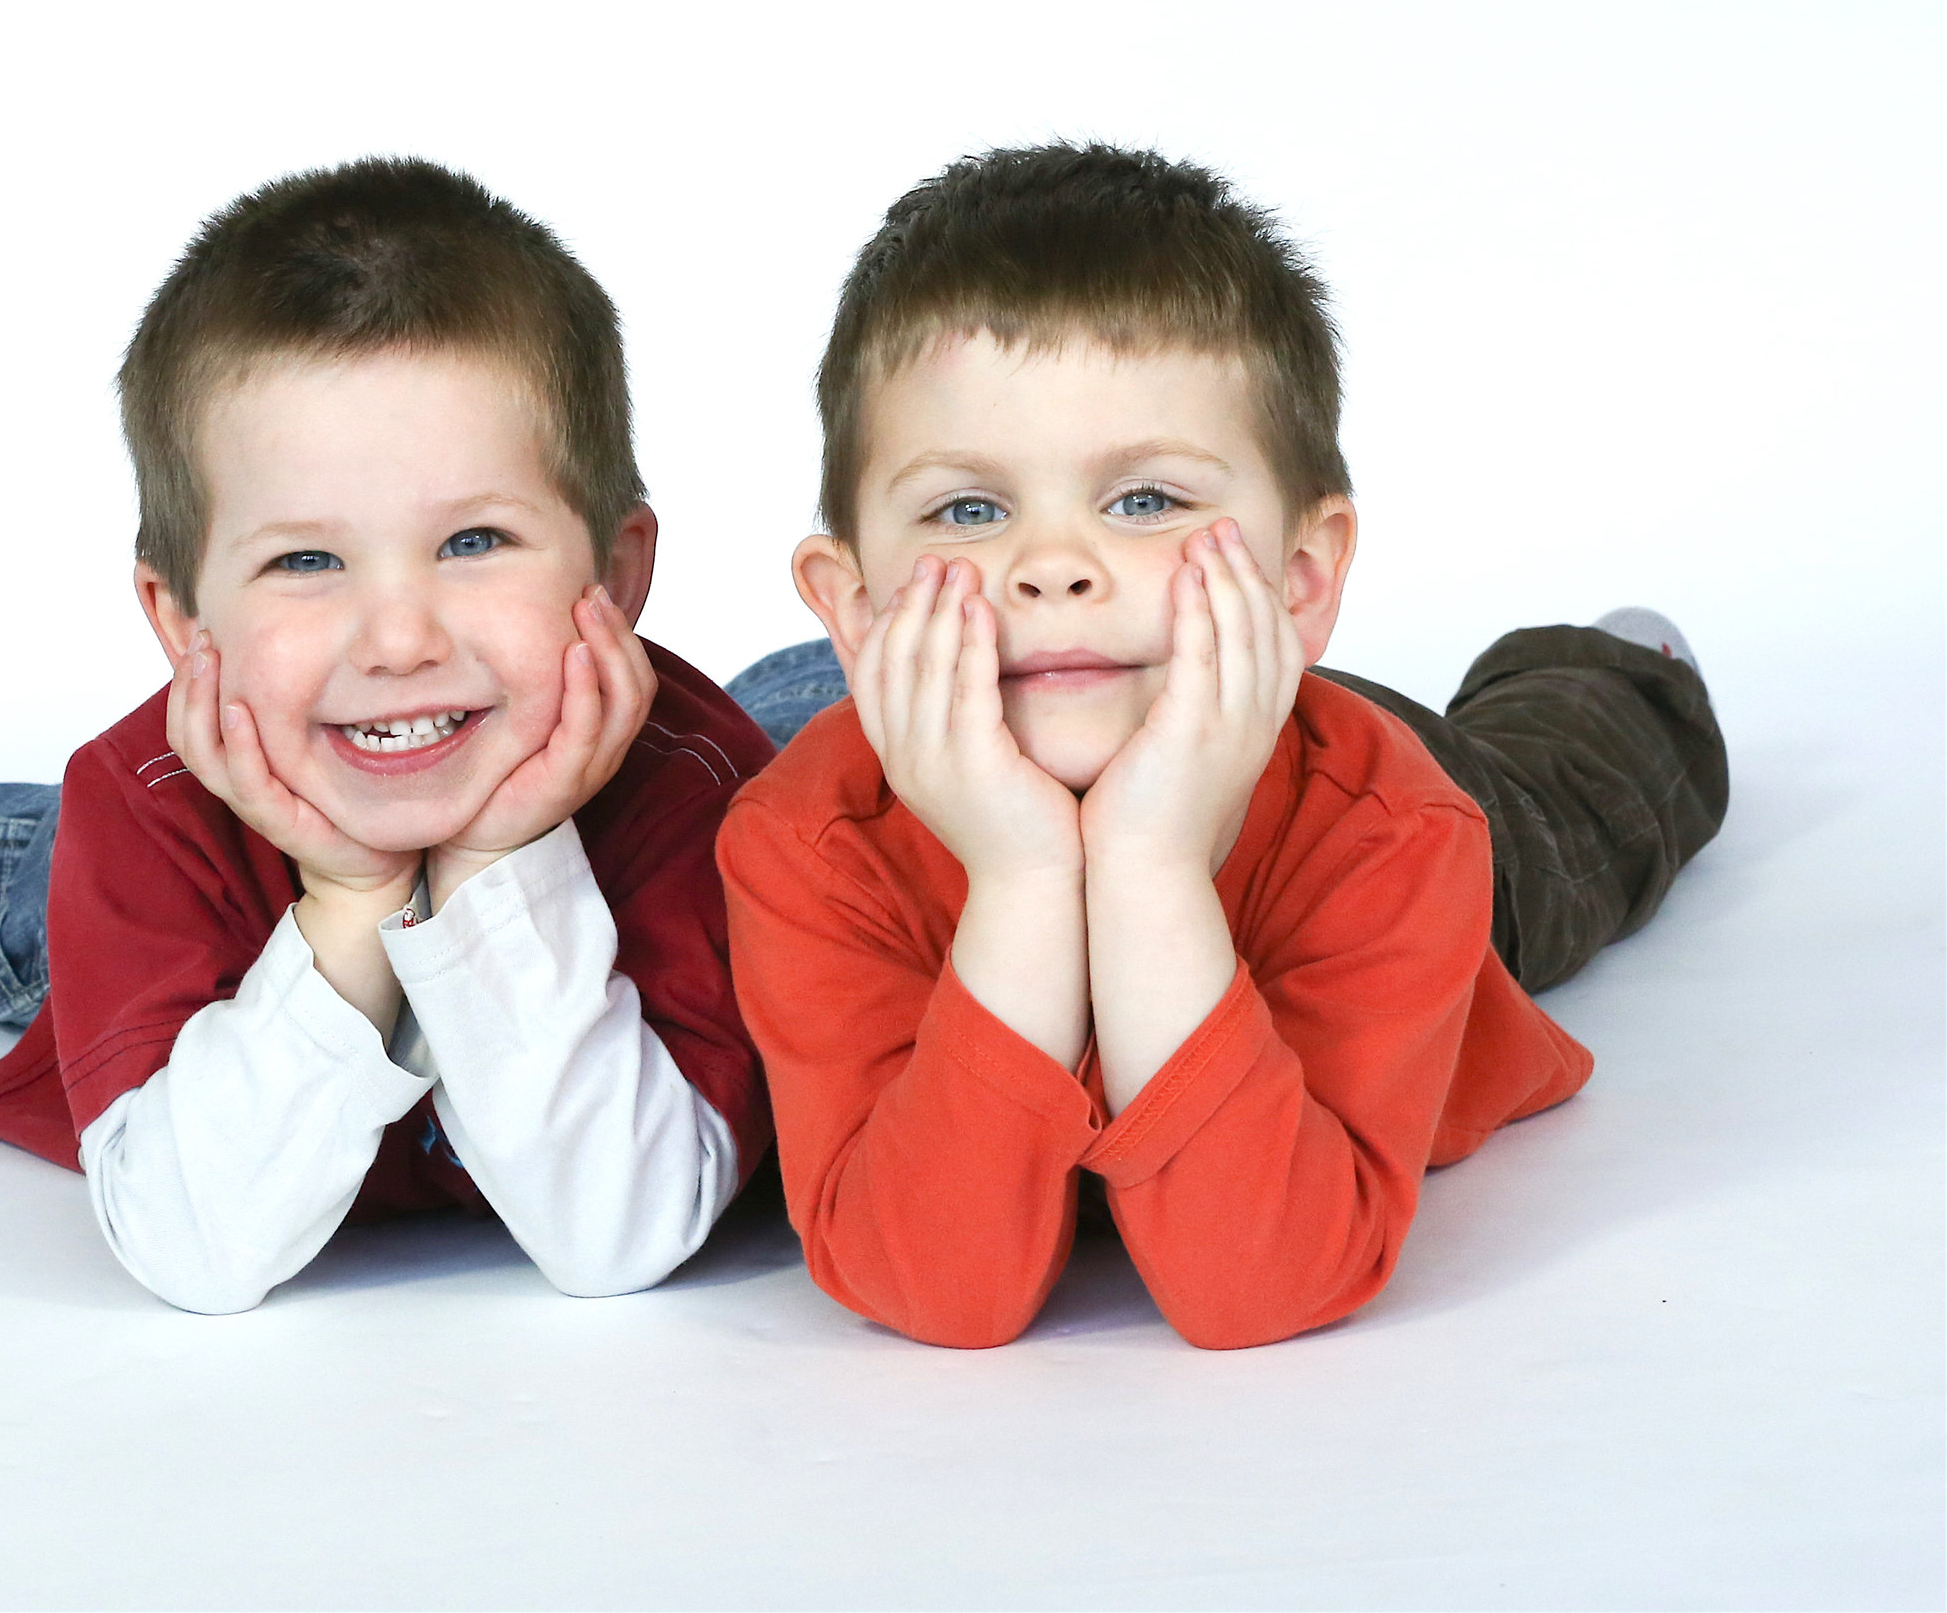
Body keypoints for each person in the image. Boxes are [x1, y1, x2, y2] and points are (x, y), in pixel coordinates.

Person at [0, 159, 774, 1314]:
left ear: (615, 573)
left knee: (827, 733)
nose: (397, 639)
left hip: (639, 785)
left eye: (472, 542)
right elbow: (197, 1249)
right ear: (178, 615)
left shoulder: (707, 802)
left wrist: (503, 861)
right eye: (306, 559)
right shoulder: (146, 800)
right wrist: (347, 896)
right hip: (158, 893)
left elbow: (615, 1233)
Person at [715, 143, 1726, 1351]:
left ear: (1300, 578)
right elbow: (937, 1287)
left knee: (1567, 800)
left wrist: (1146, 867)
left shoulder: (1391, 833)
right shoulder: (803, 843)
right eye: (970, 510)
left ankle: (1618, 677)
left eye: (1144, 500)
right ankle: (807, 683)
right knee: (783, 722)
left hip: (1301, 747)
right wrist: (1028, 877)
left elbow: (1263, 1283)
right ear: (857, 602)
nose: (1050, 565)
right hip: (990, 706)